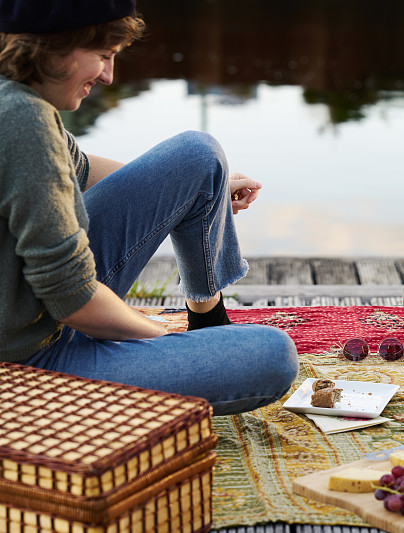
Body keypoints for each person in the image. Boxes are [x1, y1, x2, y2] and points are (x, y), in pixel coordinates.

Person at [0, 0, 299, 415]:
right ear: (51, 47)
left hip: (29, 308)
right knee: (272, 356)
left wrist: (199, 189)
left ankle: (207, 319)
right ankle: (198, 340)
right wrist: (162, 337)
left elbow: (79, 168)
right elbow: (76, 302)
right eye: (103, 57)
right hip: (25, 367)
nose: (108, 76)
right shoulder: (23, 121)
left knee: (198, 156)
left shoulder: (13, 99)